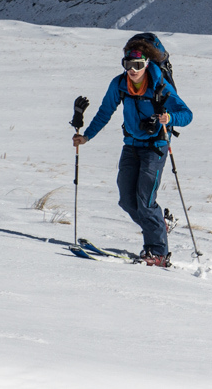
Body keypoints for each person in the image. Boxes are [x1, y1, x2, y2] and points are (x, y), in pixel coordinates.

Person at [73, 34, 192, 267]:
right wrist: (86, 136)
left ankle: (157, 252)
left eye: (137, 65)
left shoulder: (160, 85)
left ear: (146, 64)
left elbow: (187, 114)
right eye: (128, 64)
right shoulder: (119, 84)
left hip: (155, 148)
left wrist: (169, 118)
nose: (132, 70)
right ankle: (160, 225)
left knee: (145, 201)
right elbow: (105, 112)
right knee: (127, 200)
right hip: (131, 146)